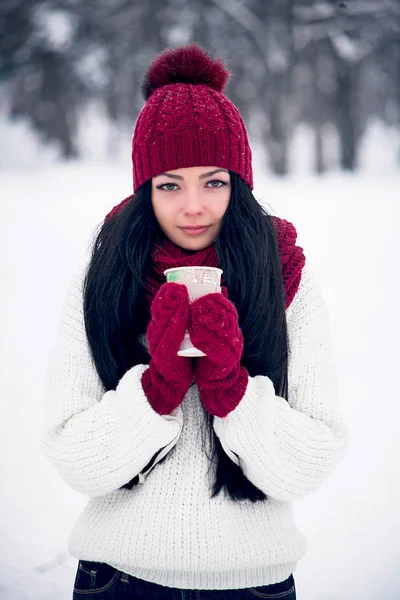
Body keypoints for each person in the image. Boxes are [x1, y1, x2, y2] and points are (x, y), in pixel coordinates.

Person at [42, 44, 349, 600]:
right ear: (145, 188)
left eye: (213, 182)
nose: (193, 208)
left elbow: (311, 460)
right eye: (169, 184)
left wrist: (232, 392)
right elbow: (73, 457)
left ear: (239, 183)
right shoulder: (104, 275)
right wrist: (154, 392)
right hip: (117, 581)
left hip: (254, 585)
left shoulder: (285, 278)